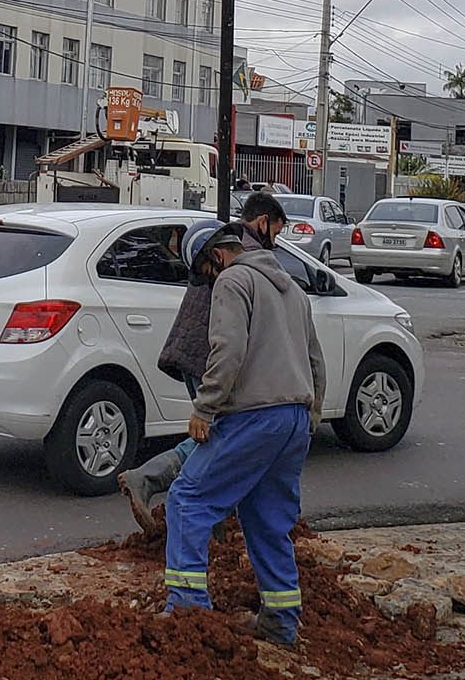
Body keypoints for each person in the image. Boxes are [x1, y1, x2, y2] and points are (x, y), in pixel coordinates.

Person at [162, 219, 325, 645]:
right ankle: (281, 622)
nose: (207, 283)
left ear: (216, 256)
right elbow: (315, 359)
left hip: (253, 416)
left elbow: (228, 349)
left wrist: (205, 407)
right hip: (294, 417)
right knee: (267, 518)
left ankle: (187, 613)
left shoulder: (232, 281)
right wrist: (312, 413)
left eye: (205, 273)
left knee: (187, 499)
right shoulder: (292, 290)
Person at [118, 192, 288, 534]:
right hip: (210, 357)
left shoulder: (224, 243)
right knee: (224, 437)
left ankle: (218, 520)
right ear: (262, 222)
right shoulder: (245, 255)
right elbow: (236, 335)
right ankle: (154, 483)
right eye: (276, 232)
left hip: (194, 351)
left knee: (221, 437)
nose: (275, 241)